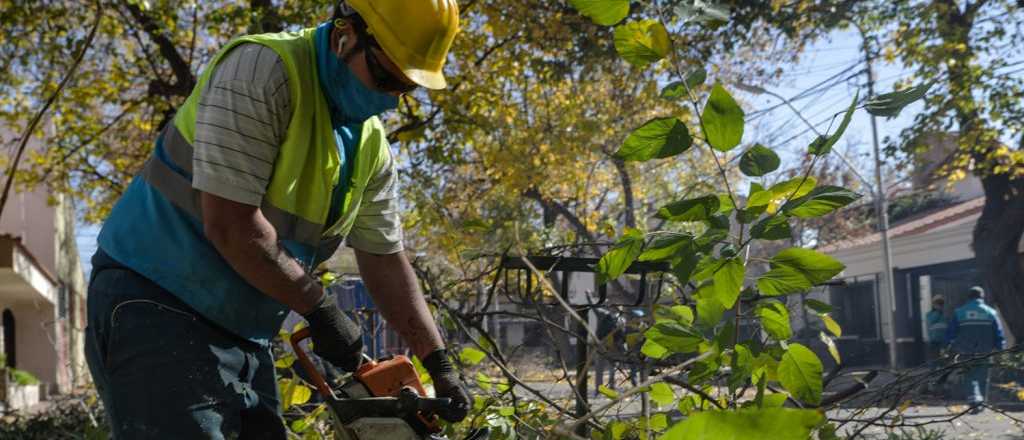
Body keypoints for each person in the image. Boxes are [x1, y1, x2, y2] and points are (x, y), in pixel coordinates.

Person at [84, 1, 468, 437]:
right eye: (384, 77)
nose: (389, 99)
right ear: (345, 36)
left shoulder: (370, 145)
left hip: (245, 331)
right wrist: (319, 309)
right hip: (155, 303)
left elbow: (385, 260)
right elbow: (231, 224)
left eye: (405, 87)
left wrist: (438, 361)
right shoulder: (261, 71)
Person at [946, 286, 1006, 409]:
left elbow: (951, 333)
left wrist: (949, 346)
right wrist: (1000, 349)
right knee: (983, 376)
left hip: (965, 351)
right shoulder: (991, 312)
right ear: (982, 297)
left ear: (969, 297)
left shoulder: (959, 312)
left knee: (969, 375)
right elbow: (998, 333)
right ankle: (982, 401)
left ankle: (974, 399)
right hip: (986, 351)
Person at [925, 295, 948, 361]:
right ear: (934, 304)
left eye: (941, 304)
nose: (940, 306)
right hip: (933, 341)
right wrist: (938, 312)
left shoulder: (944, 315)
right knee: (933, 360)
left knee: (943, 360)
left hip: (943, 341)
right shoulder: (929, 315)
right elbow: (931, 321)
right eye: (938, 304)